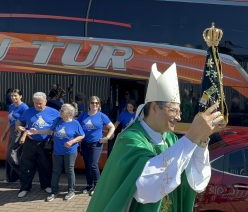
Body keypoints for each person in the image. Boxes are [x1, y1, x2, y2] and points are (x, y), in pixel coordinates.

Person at [87, 63, 227, 212]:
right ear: (154, 107)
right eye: (173, 110)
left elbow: (192, 178)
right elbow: (147, 187)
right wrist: (192, 135)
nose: (179, 117)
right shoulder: (130, 139)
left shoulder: (170, 139)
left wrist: (201, 139)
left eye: (179, 111)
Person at [28, 104, 85, 201]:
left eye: (62, 110)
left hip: (70, 151)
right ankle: (54, 191)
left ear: (68, 113)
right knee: (56, 171)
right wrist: (36, 131)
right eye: (61, 109)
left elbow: (82, 135)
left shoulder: (75, 123)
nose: (60, 111)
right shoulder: (58, 120)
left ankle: (71, 191)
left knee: (69, 170)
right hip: (57, 151)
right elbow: (49, 131)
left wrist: (71, 141)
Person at [16, 92, 60, 198]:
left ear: (45, 102)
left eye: (40, 103)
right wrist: (23, 130)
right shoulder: (28, 111)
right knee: (26, 166)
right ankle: (25, 188)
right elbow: (18, 122)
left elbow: (62, 123)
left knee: (45, 165)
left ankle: (46, 186)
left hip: (45, 143)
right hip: (30, 142)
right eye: (36, 103)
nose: (38, 105)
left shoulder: (54, 112)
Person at [77, 96, 115, 196]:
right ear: (89, 104)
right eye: (92, 103)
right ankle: (89, 185)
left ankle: (97, 186)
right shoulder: (83, 115)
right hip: (85, 143)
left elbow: (112, 127)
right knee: (87, 165)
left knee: (93, 164)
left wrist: (107, 137)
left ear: (99, 105)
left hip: (96, 144)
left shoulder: (102, 116)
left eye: (97, 103)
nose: (95, 105)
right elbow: (76, 125)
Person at [4, 89, 29, 182]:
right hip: (12, 132)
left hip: (19, 133)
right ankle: (11, 178)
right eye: (11, 96)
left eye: (15, 95)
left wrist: (24, 135)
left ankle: (23, 176)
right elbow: (10, 121)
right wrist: (4, 134)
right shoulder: (11, 106)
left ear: (21, 96)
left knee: (11, 155)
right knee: (11, 156)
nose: (13, 97)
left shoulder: (24, 107)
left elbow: (28, 123)